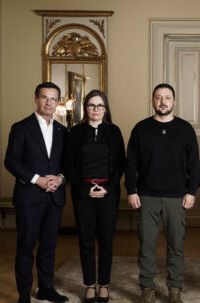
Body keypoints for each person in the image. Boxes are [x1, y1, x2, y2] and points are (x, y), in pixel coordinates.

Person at [125, 83, 200, 303]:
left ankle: (174, 287)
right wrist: (131, 190)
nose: (163, 101)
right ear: (152, 101)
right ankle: (147, 286)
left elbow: (194, 164)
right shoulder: (141, 128)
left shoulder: (185, 129)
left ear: (174, 101)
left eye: (167, 97)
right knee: (146, 244)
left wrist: (191, 192)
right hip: (146, 195)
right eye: (158, 97)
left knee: (176, 245)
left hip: (177, 196)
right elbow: (131, 163)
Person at [4, 82, 68, 303]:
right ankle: (24, 293)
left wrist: (60, 178)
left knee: (49, 246)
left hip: (54, 197)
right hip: (29, 197)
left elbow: (66, 164)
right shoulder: (21, 127)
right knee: (26, 246)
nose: (49, 103)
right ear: (36, 99)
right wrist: (36, 179)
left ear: (58, 102)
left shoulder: (62, 131)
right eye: (44, 97)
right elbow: (10, 160)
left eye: (53, 99)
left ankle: (46, 288)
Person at [64, 90, 125, 303]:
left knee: (106, 240)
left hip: (108, 193)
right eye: (91, 105)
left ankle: (104, 285)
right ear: (85, 108)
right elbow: (69, 165)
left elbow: (120, 164)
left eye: (100, 106)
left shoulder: (114, 131)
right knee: (86, 240)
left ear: (106, 109)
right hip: (83, 193)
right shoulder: (75, 132)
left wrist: (108, 187)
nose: (95, 110)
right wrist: (83, 189)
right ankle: (90, 284)